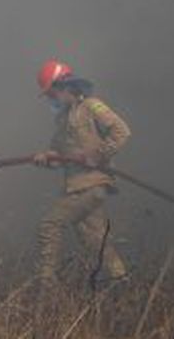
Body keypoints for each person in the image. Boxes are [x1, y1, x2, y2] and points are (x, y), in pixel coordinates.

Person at [32, 60, 131, 289]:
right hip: (77, 186)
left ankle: (46, 288)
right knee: (98, 243)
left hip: (91, 185)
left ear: (65, 87)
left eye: (52, 93)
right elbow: (58, 156)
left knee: (50, 225)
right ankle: (124, 285)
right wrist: (46, 158)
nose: (51, 99)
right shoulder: (62, 119)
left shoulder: (92, 107)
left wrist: (99, 155)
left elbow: (121, 131)